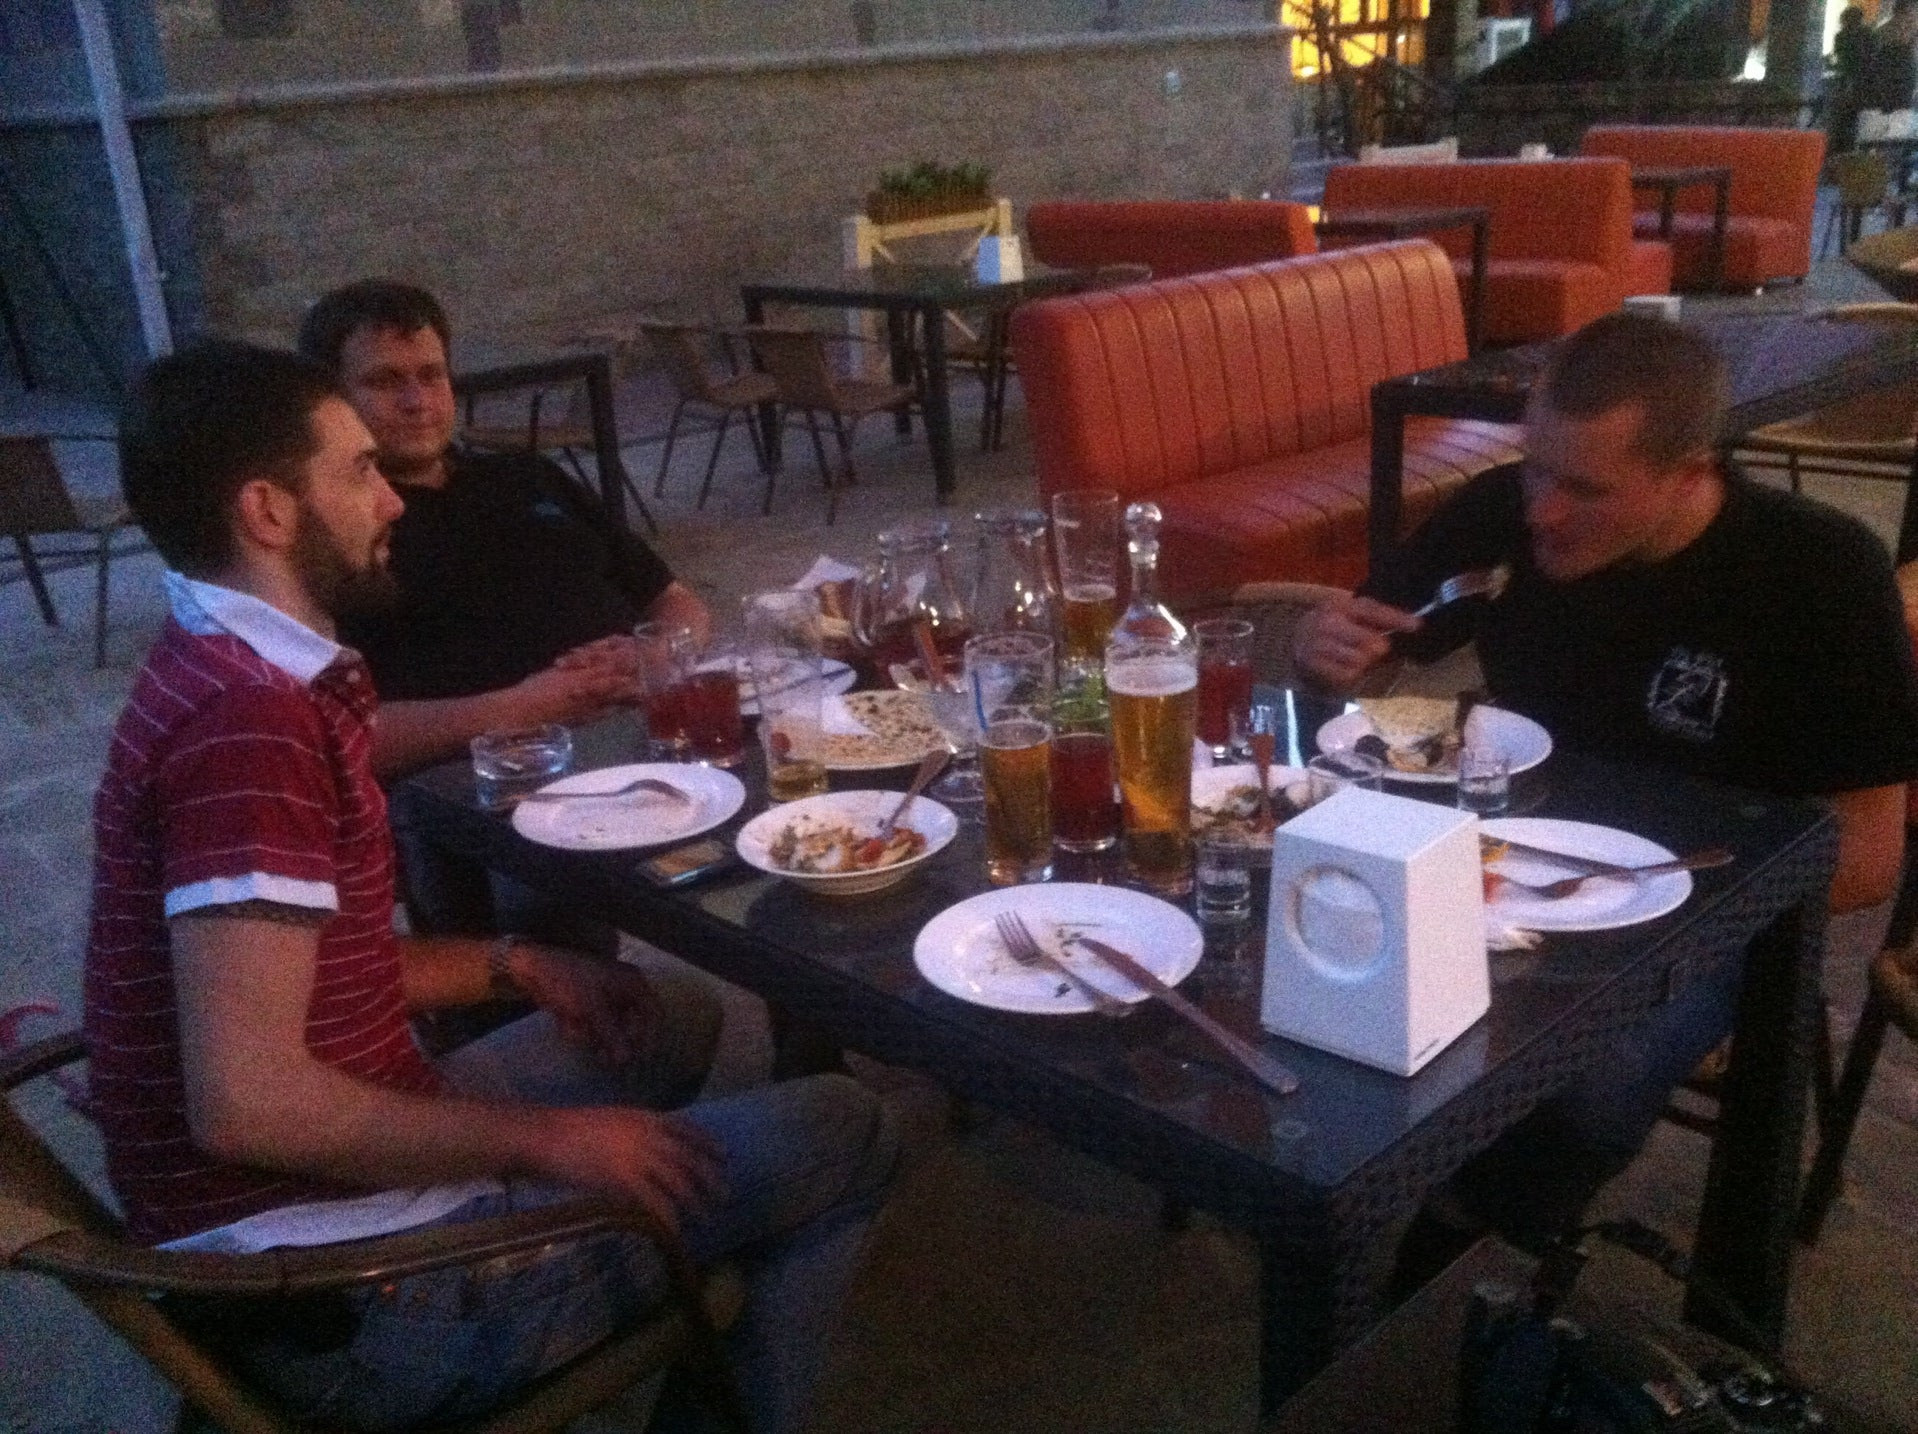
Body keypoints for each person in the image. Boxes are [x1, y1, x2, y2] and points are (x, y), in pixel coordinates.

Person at [87, 340, 896, 1431]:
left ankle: (660, 1241)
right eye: (359, 471)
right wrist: (549, 1143)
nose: (392, 499)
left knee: (668, 1012)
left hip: (303, 1215)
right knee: (844, 1124)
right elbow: (250, 1104)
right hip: (339, 1294)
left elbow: (302, 972)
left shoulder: (224, 661)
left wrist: (515, 963)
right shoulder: (250, 728)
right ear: (268, 512)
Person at [1293, 310, 1918, 1268]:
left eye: (1585, 488)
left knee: (1583, 1094)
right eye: (1535, 469)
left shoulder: (1818, 573)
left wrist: (1651, 908)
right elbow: (1380, 653)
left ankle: (1458, 1243)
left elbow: (1868, 861)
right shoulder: (1507, 511)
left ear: (1692, 472)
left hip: (1714, 905)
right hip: (1510, 867)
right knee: (1317, 963)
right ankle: (1331, 1196)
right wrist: (1325, 652)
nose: (1542, 511)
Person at [294, 279, 712, 780]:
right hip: (497, 780)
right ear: (333, 400)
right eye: (385, 381)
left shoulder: (528, 476)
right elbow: (328, 735)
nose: (417, 400)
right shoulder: (332, 530)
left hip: (655, 739)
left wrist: (657, 653)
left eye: (432, 375)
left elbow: (673, 598)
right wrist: (528, 706)